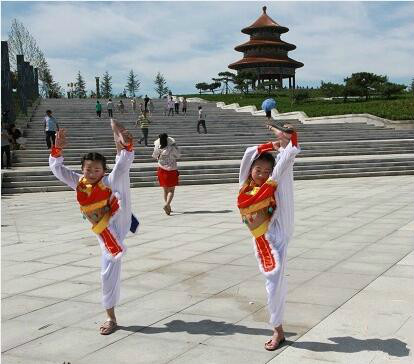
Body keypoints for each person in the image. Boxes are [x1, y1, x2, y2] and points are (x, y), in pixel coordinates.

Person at [49, 119, 138, 335]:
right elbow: (57, 169)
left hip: (120, 219)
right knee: (107, 273)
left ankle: (120, 140)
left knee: (120, 176)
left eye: (96, 169)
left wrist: (126, 146)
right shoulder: (79, 182)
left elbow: (121, 166)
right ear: (82, 169)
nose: (91, 172)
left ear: (102, 170)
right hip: (104, 230)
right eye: (88, 169)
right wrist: (57, 148)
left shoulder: (108, 180)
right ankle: (111, 316)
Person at [237, 122, 300, 351]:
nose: (262, 175)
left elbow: (280, 168)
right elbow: (248, 154)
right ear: (251, 169)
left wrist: (285, 144)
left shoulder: (272, 185)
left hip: (279, 233)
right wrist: (272, 144)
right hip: (262, 240)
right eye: (258, 170)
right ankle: (278, 328)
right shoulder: (244, 187)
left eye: (266, 171)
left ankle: (277, 329)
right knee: (273, 283)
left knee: (273, 284)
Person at [152, 133, 180, 215]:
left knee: (165, 190)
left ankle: (168, 206)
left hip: (161, 170)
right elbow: (178, 155)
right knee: (171, 190)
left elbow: (154, 156)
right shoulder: (172, 147)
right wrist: (175, 145)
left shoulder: (158, 146)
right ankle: (167, 204)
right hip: (172, 170)